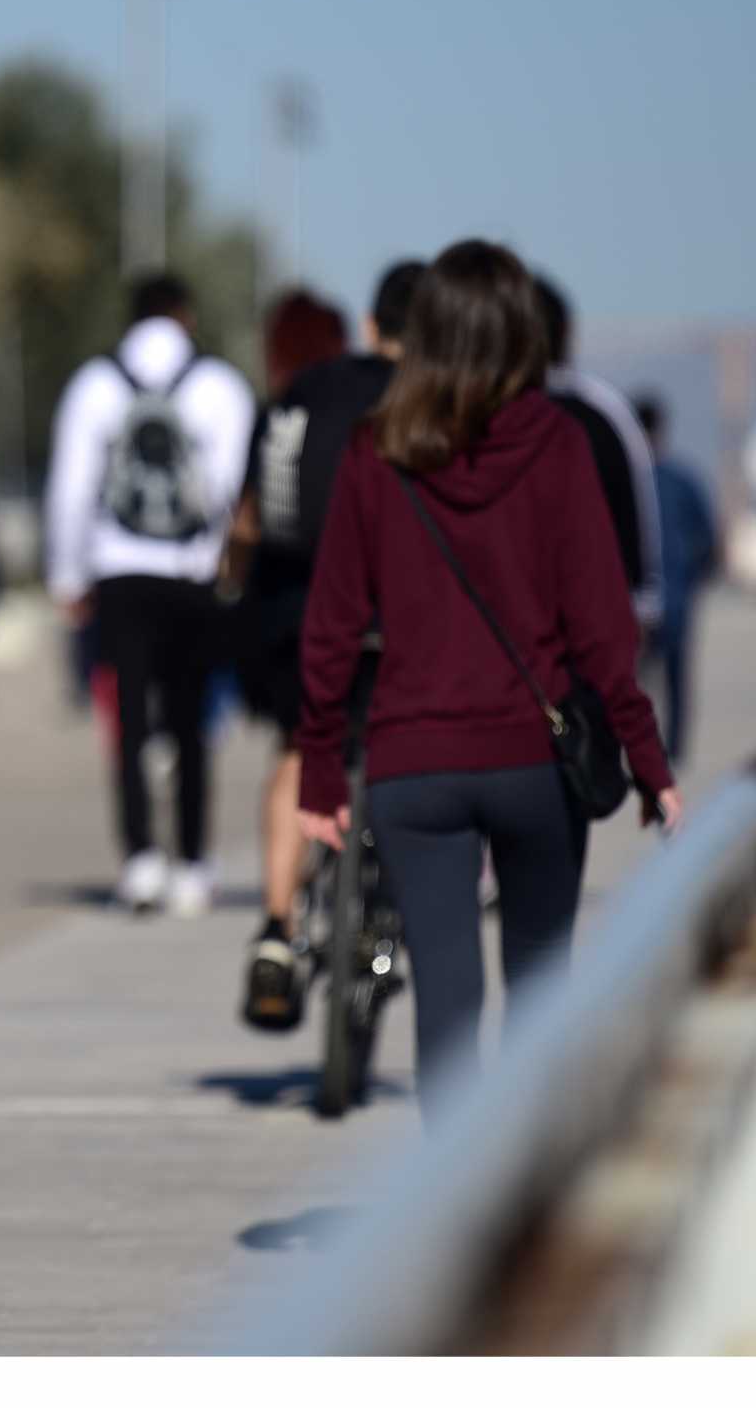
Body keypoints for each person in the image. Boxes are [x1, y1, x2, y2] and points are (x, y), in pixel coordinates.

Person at [296, 240, 678, 1117]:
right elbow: (601, 631)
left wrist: (321, 767)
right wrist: (649, 764)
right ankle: (525, 1216)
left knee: (447, 1004)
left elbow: (332, 625)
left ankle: (452, 1217)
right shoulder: (559, 444)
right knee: (542, 999)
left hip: (410, 769)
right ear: (521, 333)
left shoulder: (376, 448)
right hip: (532, 767)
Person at [227, 261, 424, 1026]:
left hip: (294, 610)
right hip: (397, 617)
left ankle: (276, 930)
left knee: (296, 749)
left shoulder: (297, 397)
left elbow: (250, 519)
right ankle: (398, 900)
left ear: (372, 327)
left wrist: (236, 594)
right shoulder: (434, 401)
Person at [44, 273, 256, 918]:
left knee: (129, 721)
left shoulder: (95, 383)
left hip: (120, 571)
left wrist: (67, 574)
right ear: (186, 316)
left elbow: (71, 487)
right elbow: (232, 488)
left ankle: (140, 861)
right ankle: (192, 863)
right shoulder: (219, 385)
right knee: (192, 724)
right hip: (192, 573)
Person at [534, 278, 663, 635]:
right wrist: (641, 602)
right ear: (566, 331)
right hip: (600, 628)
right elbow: (638, 514)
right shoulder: (604, 413)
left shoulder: (491, 413)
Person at [634, 394, 720, 760]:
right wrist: (695, 578)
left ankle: (637, 747)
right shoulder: (682, 480)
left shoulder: (627, 482)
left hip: (635, 601)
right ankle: (674, 751)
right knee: (676, 680)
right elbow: (709, 542)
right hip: (677, 598)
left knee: (632, 680)